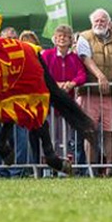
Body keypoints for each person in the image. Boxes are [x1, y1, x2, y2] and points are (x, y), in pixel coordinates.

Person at [76, 8, 112, 172]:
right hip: (90, 92)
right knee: (90, 132)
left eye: (103, 21)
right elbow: (86, 59)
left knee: (111, 132)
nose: (99, 23)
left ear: (108, 23)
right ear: (92, 23)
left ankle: (110, 169)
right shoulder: (84, 38)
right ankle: (92, 169)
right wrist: (100, 76)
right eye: (96, 21)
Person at [41, 24, 86, 157]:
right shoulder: (47, 55)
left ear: (71, 39)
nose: (62, 39)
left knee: (65, 139)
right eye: (60, 36)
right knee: (50, 137)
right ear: (55, 38)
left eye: (66, 36)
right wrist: (55, 84)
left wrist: (72, 83)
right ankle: (49, 167)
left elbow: (82, 74)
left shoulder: (75, 58)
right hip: (50, 104)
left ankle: (63, 166)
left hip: (67, 104)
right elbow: (42, 73)